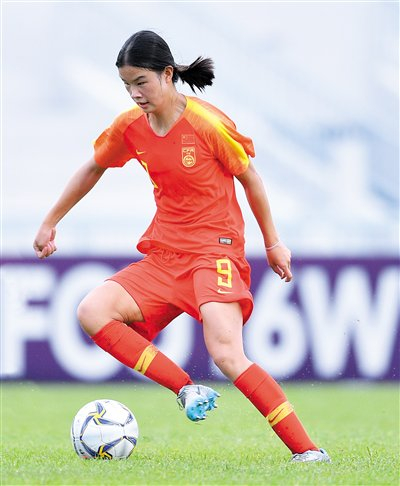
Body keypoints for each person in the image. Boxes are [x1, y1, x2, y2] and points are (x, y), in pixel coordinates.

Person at [33, 30, 330, 463]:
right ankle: (185, 388)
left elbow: (251, 179)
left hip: (215, 253)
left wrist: (273, 243)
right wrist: (50, 221)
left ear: (168, 74)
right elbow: (93, 167)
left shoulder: (207, 124)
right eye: (127, 85)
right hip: (165, 257)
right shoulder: (130, 127)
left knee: (227, 354)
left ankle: (307, 451)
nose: (135, 94)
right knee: (92, 311)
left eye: (141, 82)